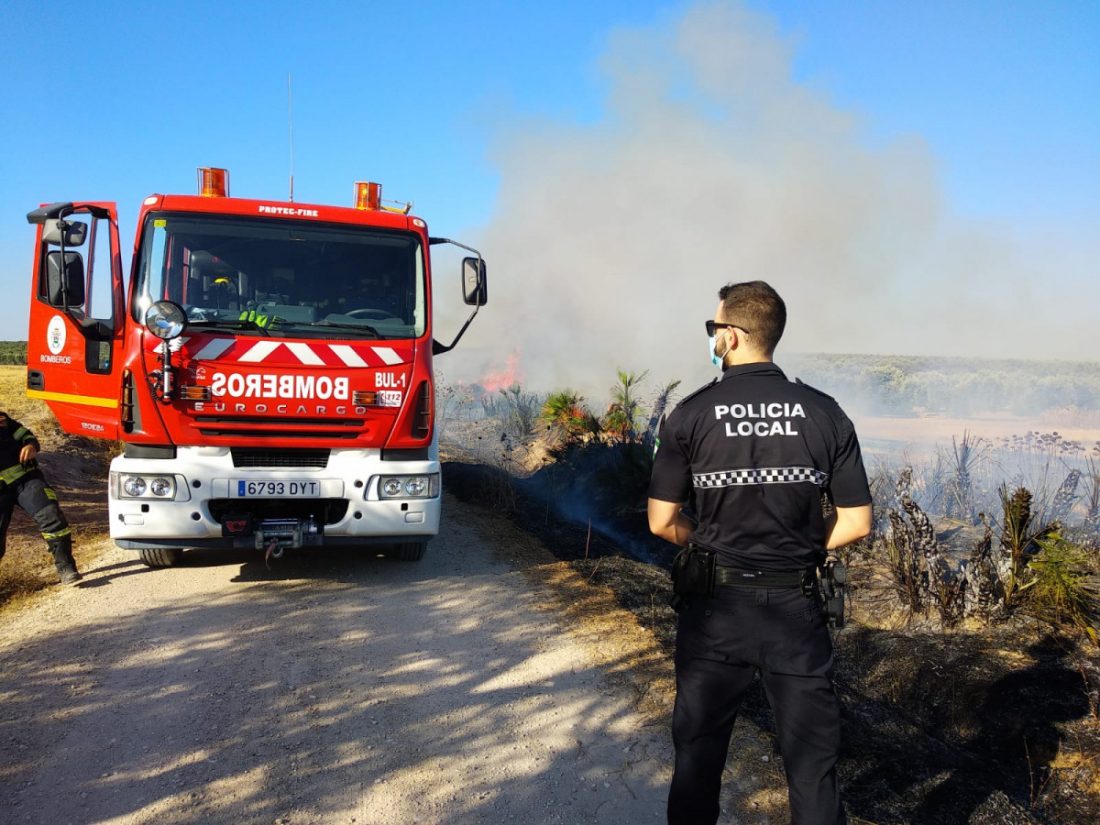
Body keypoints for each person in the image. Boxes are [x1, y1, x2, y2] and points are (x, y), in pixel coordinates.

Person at [648, 281, 872, 825]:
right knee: (812, 767)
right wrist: (797, 543)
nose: (711, 337)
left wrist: (704, 540)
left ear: (731, 334)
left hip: (715, 610)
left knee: (698, 760)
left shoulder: (690, 414)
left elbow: (660, 521)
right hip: (797, 613)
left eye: (712, 328)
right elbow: (857, 522)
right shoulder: (825, 414)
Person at [0, 411, 81, 584]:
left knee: (51, 516)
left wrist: (30, 446)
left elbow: (27, 435)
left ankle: (66, 567)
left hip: (26, 479)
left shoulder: (3, 419)